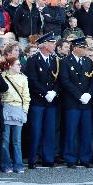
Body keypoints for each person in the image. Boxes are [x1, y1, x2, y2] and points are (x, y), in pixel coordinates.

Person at [24, 33, 60, 169]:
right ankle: (33, 158)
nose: (54, 45)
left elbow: (58, 79)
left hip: (51, 101)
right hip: (38, 101)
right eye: (52, 43)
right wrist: (45, 93)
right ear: (44, 45)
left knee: (50, 131)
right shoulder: (33, 60)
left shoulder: (54, 60)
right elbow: (32, 80)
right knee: (36, 130)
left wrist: (54, 92)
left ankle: (48, 158)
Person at [58, 37, 93, 168]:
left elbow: (92, 80)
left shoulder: (88, 62)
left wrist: (89, 94)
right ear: (75, 48)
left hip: (86, 103)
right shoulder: (65, 62)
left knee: (86, 132)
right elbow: (65, 81)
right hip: (72, 102)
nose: (85, 50)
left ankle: (85, 158)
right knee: (71, 132)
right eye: (83, 47)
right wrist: (79, 95)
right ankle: (70, 158)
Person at [0, 55, 30, 173]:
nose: (20, 66)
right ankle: (6, 164)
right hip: (6, 108)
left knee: (17, 140)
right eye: (17, 64)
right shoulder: (3, 76)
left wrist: (25, 111)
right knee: (5, 140)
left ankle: (18, 164)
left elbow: (26, 96)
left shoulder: (23, 78)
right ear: (10, 66)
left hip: (18, 108)